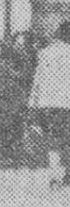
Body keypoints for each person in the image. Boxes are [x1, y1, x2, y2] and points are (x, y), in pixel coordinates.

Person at [28, 20, 70, 187]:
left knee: (53, 139)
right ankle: (68, 174)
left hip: (48, 103)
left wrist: (33, 104)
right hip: (67, 102)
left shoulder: (44, 53)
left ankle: (53, 176)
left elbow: (37, 80)